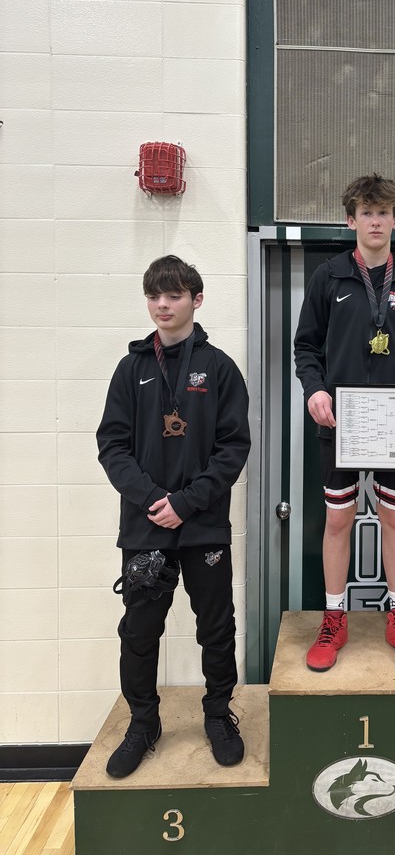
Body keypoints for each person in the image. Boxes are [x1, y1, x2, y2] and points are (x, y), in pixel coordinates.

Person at [97, 255, 250, 777]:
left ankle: (217, 714)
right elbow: (112, 445)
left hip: (203, 525)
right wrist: (151, 501)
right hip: (145, 529)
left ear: (196, 300)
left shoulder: (222, 367)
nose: (163, 305)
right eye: (154, 296)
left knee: (216, 627)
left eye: (174, 295)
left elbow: (233, 448)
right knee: (140, 632)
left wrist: (184, 502)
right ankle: (143, 723)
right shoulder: (131, 368)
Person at [294, 175, 395, 672]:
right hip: (340, 423)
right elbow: (306, 347)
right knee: (338, 518)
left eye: (384, 213)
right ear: (351, 220)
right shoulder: (328, 277)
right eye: (366, 212)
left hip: (394, 427)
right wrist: (314, 389)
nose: (375, 221)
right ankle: (333, 617)